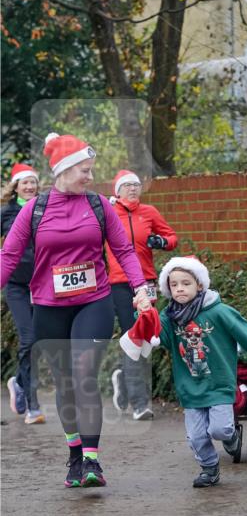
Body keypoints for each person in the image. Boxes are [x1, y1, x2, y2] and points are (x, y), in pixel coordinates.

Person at [0, 133, 151, 488]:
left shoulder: (98, 205)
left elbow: (124, 250)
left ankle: (92, 460)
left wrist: (141, 288)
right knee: (66, 383)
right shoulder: (35, 210)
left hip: (93, 301)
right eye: (85, 170)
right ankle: (74, 454)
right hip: (48, 307)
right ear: (64, 170)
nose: (90, 176)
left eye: (90, 170)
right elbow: (9, 256)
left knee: (84, 375)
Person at [121, 256, 247, 488]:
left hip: (219, 382)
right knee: (196, 437)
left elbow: (245, 332)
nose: (180, 289)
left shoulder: (219, 311)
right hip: (190, 386)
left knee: (220, 429)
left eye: (186, 283)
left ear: (200, 285)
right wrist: (144, 314)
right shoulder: (170, 318)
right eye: (174, 284)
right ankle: (209, 468)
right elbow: (156, 334)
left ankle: (231, 436)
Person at [107, 169, 179, 421]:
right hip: (119, 283)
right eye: (127, 185)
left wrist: (161, 242)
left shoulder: (149, 212)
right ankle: (139, 403)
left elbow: (172, 237)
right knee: (133, 334)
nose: (133, 189)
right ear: (117, 191)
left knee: (146, 334)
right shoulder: (109, 213)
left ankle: (122, 378)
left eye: (136, 185)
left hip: (146, 282)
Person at [1, 163, 45, 424]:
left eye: (33, 182)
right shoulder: (6, 213)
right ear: (15, 186)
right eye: (24, 182)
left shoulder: (45, 209)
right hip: (17, 286)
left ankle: (18, 381)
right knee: (29, 340)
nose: (29, 186)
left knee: (40, 341)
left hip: (43, 285)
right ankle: (33, 406)